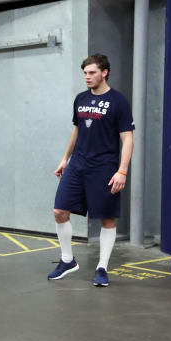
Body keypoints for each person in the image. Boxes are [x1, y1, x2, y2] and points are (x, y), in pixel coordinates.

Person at [48, 53, 134, 287]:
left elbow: (127, 139)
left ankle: (102, 267)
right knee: (59, 211)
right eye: (85, 73)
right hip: (78, 164)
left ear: (104, 72)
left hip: (104, 167)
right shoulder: (80, 99)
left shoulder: (118, 102)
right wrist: (65, 158)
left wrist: (122, 170)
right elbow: (76, 131)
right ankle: (67, 260)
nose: (87, 77)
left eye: (92, 72)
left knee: (106, 218)